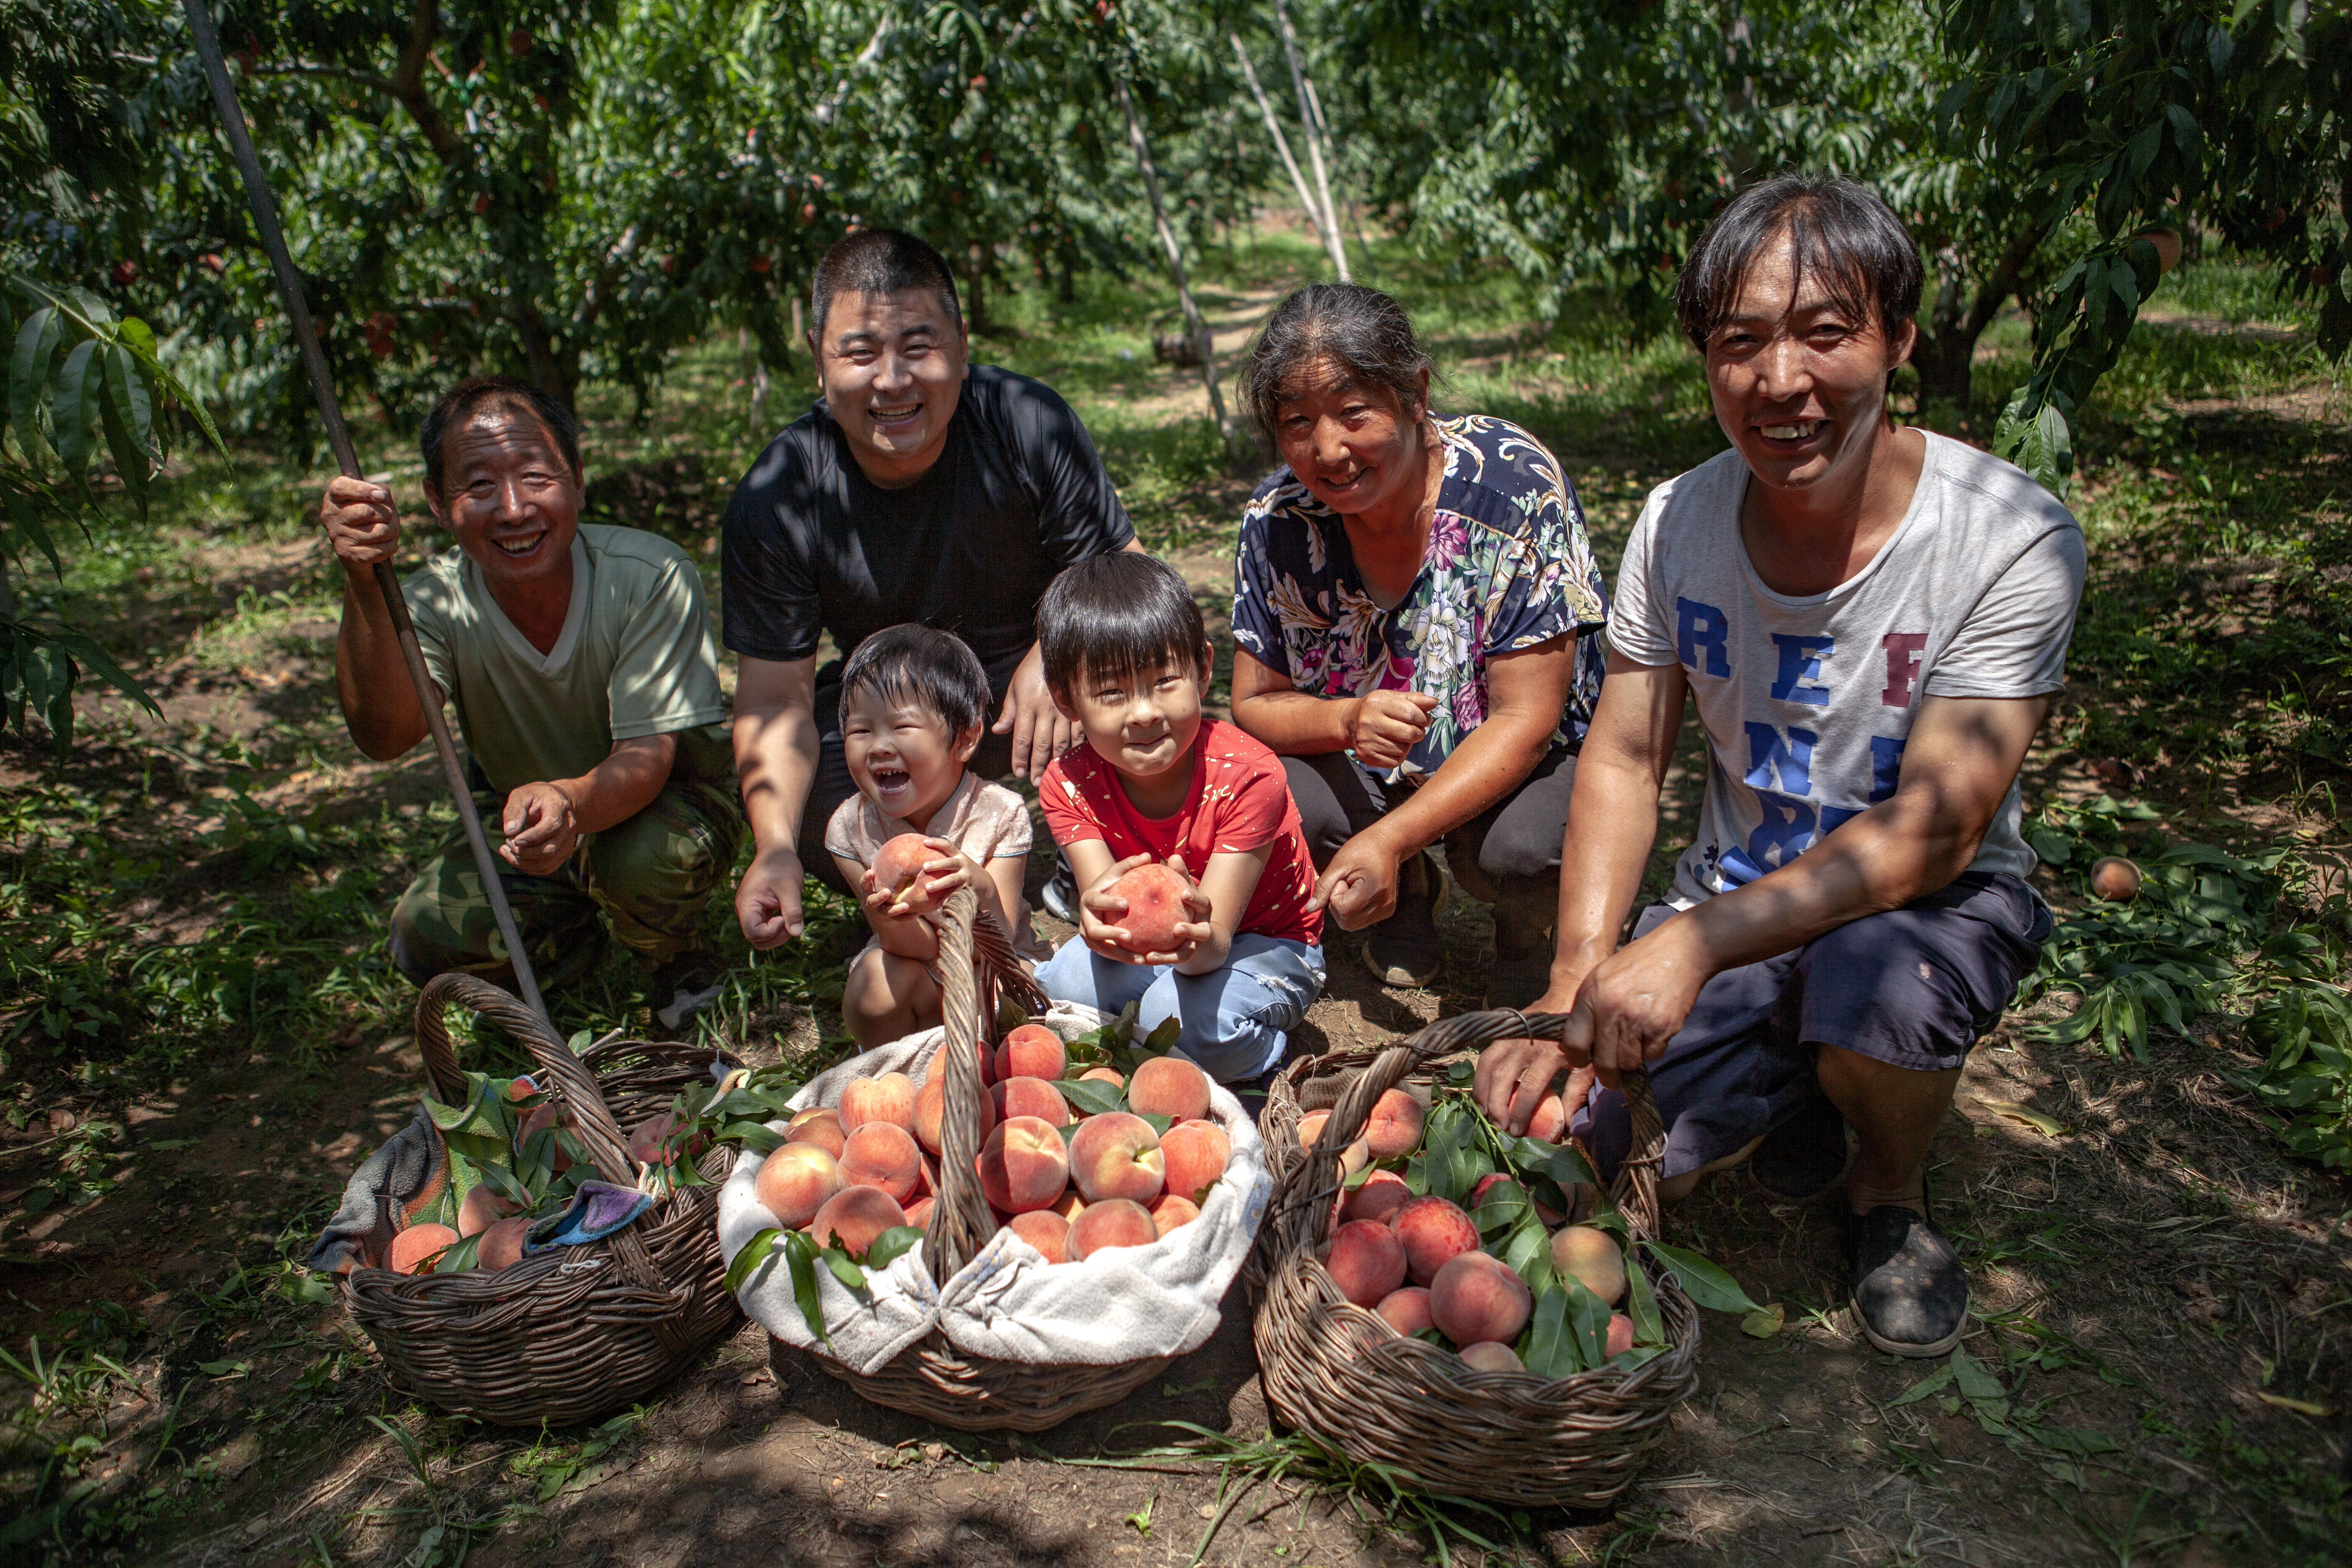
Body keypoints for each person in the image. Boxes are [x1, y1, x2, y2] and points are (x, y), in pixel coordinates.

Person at [1473, 175, 2085, 1359]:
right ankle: (1795, 1070)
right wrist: (1574, 975)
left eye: (1825, 332)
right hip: (1739, 892)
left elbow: (1935, 830)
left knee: (1882, 993)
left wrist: (1692, 945)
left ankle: (1887, 1188)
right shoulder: (1679, 522)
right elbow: (1627, 754)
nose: (1780, 379)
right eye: (1741, 342)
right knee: (1579, 1142)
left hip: (1928, 903)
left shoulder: (2007, 535)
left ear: (1899, 338)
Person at [722, 228, 1143, 952]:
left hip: (1032, 699)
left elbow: (1128, 579)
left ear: (962, 343)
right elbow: (772, 702)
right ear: (818, 358)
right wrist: (775, 846)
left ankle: (1096, 855)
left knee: (1127, 678)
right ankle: (923, 893)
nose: (892, 381)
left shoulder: (1025, 422)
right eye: (860, 353)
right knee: (817, 799)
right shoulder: (780, 493)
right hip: (898, 711)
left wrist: (1059, 649)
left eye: (919, 347)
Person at [317, 376, 747, 1028]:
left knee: (646, 862)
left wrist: (568, 803)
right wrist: (364, 582)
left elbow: (647, 760)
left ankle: (673, 957)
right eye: (479, 485)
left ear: (578, 481)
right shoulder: (432, 603)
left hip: (663, 805)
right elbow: (385, 736)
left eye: (536, 477)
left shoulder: (649, 576)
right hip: (521, 824)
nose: (514, 510)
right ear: (436, 502)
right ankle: (574, 941)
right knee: (424, 933)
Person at [1227, 284, 1609, 1007]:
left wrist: (1391, 837)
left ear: (1415, 394)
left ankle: (1525, 931)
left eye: (1354, 413)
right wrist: (1345, 718)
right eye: (1298, 422)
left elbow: (1527, 721)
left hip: (1524, 764)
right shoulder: (1279, 520)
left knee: (1525, 850)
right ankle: (1404, 897)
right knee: (1272, 792)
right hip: (1372, 769)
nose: (1328, 450)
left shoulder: (1512, 489)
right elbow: (1253, 702)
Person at [1030, 552, 1326, 1086]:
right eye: (1112, 692)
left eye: (1165, 680)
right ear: (1066, 699)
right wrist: (1097, 928)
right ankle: (1157, 1029)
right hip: (1165, 942)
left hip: (1265, 940)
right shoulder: (1068, 783)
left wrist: (1187, 939)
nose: (1144, 712)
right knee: (1066, 983)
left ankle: (1267, 1052)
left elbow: (1212, 944)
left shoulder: (1251, 777)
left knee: (1177, 1022)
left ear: (1203, 668)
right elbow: (1106, 909)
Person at [824, 624, 1052, 1048]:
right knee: (872, 986)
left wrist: (980, 888)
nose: (878, 747)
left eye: (902, 727)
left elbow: (997, 942)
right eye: (861, 731)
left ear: (964, 739)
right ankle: (898, 1068)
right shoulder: (851, 827)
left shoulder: (1000, 814)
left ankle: (985, 1064)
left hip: (989, 971)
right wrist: (890, 917)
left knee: (1017, 1005)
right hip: (918, 975)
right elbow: (917, 950)